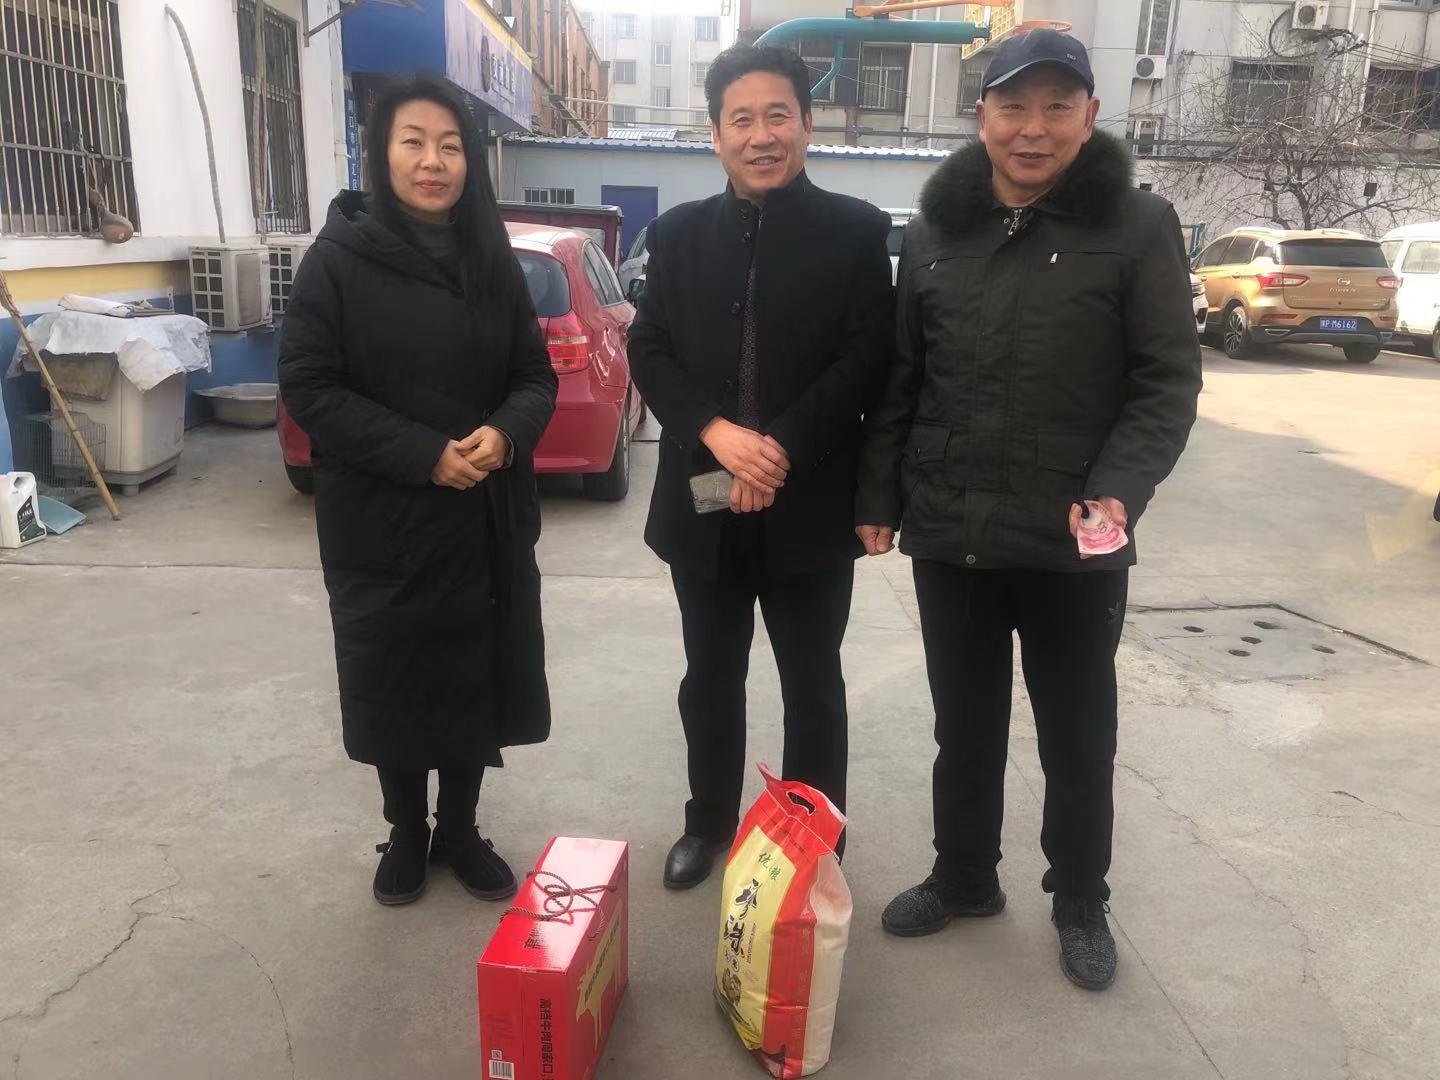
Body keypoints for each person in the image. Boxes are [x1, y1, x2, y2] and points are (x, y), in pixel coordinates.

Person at [855, 30, 1202, 990]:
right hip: (951, 526)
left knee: (1078, 735)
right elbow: (902, 376)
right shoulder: (937, 229)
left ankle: (1079, 898)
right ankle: (964, 877)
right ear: (984, 118)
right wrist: (878, 494)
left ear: (1090, 117)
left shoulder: (1137, 224)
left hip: (1074, 540)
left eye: (1056, 107)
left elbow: (1166, 383)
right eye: (1014, 106)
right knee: (963, 725)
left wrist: (1117, 492)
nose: (1033, 128)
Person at [278, 76, 558, 907]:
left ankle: (460, 829)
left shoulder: (490, 258)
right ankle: (406, 831)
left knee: (473, 675)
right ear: (382, 153)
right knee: (396, 678)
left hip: (483, 516)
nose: (433, 161)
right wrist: (424, 454)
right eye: (414, 142)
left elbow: (533, 374)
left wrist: (506, 433)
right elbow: (310, 386)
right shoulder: (339, 259)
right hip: (384, 519)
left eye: (450, 146)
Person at [629, 45, 894, 889]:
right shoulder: (678, 235)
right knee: (710, 675)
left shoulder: (855, 232)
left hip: (807, 497)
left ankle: (812, 837)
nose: (761, 135)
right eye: (741, 119)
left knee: (812, 682)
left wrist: (775, 446)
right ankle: (707, 822)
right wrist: (716, 433)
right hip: (706, 493)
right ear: (715, 135)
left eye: (778, 115)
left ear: (808, 125)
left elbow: (867, 355)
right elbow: (650, 347)